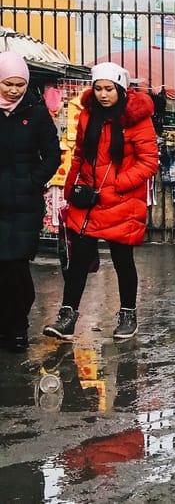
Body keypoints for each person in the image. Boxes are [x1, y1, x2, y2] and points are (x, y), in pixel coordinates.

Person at [43, 62, 158, 342]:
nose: (103, 94)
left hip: (121, 201)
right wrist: (71, 188)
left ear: (121, 88)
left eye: (109, 89)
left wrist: (118, 184)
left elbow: (149, 162)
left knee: (122, 261)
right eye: (98, 88)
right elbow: (80, 154)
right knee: (79, 261)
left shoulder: (136, 120)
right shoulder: (87, 116)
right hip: (89, 201)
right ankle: (67, 316)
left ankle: (128, 314)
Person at [0, 52, 61, 352]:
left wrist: (33, 182)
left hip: (25, 204)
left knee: (18, 268)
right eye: (8, 84)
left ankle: (19, 325)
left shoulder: (36, 112)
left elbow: (53, 155)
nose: (13, 90)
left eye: (19, 84)